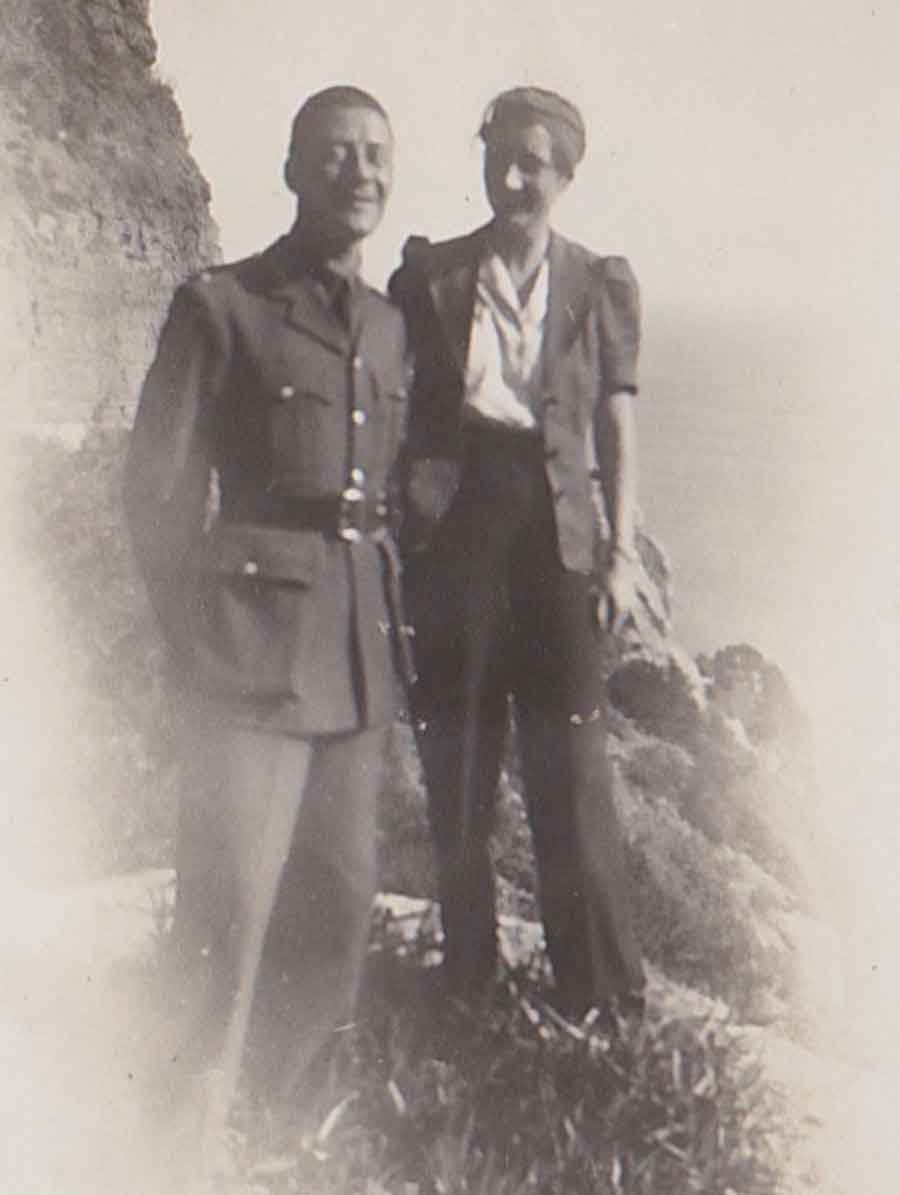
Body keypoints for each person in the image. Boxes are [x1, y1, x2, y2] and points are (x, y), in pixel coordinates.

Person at [124, 85, 408, 1172]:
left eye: (378, 154)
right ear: (293, 171)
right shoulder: (222, 306)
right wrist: (195, 644)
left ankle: (280, 1139)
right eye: (335, 154)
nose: (360, 173)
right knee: (224, 921)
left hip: (352, 662)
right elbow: (156, 493)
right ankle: (168, 1155)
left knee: (333, 913)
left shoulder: (386, 326)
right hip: (243, 662)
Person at [389, 86, 645, 1023]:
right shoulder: (430, 275)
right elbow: (393, 398)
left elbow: (616, 423)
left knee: (572, 775)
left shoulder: (598, 281)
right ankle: (470, 986)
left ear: (565, 174)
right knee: (458, 769)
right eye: (499, 155)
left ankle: (602, 1003)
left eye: (533, 161)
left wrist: (620, 556)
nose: (512, 176)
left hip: (556, 542)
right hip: (455, 538)